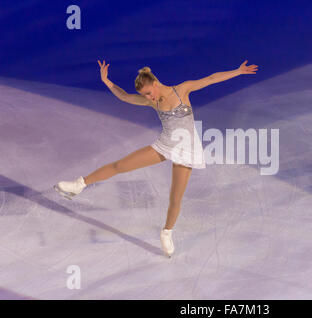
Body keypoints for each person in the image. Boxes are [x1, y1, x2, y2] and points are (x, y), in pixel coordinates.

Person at [54, 59, 258, 257]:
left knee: (175, 198)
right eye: (145, 96)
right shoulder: (151, 102)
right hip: (165, 144)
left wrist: (237, 71)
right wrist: (107, 81)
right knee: (120, 165)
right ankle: (79, 185)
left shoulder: (182, 90)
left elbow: (212, 78)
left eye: (149, 93)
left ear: (156, 83)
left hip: (187, 150)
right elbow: (124, 97)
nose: (149, 98)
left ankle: (166, 232)